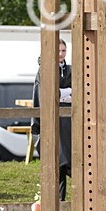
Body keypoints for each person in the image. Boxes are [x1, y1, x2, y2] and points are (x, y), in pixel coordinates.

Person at [32, 38, 73, 199]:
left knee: (69, 160)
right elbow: (48, 95)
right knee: (57, 162)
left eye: (63, 50)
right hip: (52, 122)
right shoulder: (44, 70)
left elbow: (79, 92)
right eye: (58, 50)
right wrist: (66, 93)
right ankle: (58, 202)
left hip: (68, 123)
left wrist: (63, 93)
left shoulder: (69, 69)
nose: (61, 54)